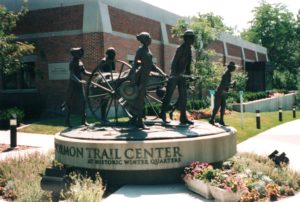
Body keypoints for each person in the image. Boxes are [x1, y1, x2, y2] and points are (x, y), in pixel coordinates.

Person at [129, 32, 166, 129]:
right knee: (140, 98)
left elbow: (152, 65)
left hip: (146, 75)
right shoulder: (140, 50)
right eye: (149, 38)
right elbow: (135, 64)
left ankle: (134, 119)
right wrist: (133, 76)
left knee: (140, 98)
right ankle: (139, 122)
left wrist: (162, 73)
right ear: (145, 40)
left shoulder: (148, 50)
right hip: (141, 76)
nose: (151, 40)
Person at [159, 29, 195, 124]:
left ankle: (183, 117)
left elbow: (188, 65)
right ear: (186, 39)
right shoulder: (181, 48)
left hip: (182, 76)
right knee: (169, 95)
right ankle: (162, 114)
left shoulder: (189, 49)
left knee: (184, 97)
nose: (192, 40)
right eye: (191, 38)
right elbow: (174, 62)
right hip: (175, 75)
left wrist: (189, 75)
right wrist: (174, 74)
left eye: (193, 38)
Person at [64, 47, 91, 127]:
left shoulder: (80, 62)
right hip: (73, 85)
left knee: (83, 102)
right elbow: (72, 75)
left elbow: (84, 72)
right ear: (75, 54)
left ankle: (83, 121)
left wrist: (93, 74)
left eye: (80, 53)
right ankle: (67, 121)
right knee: (70, 103)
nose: (80, 54)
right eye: (79, 53)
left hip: (79, 85)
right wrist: (79, 81)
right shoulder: (72, 62)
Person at [209, 61, 236, 126]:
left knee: (223, 107)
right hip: (219, 92)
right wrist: (233, 83)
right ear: (230, 67)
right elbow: (226, 84)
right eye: (233, 67)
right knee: (216, 107)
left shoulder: (229, 73)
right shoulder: (226, 73)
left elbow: (228, 85)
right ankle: (211, 120)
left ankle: (221, 121)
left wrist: (232, 84)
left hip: (223, 93)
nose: (234, 69)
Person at [96, 47, 116, 123]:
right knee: (104, 101)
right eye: (113, 53)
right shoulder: (104, 60)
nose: (114, 55)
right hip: (104, 82)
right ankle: (103, 118)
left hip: (110, 81)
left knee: (106, 101)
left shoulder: (112, 61)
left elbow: (113, 71)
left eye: (114, 53)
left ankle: (104, 118)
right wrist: (105, 76)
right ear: (108, 54)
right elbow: (99, 70)